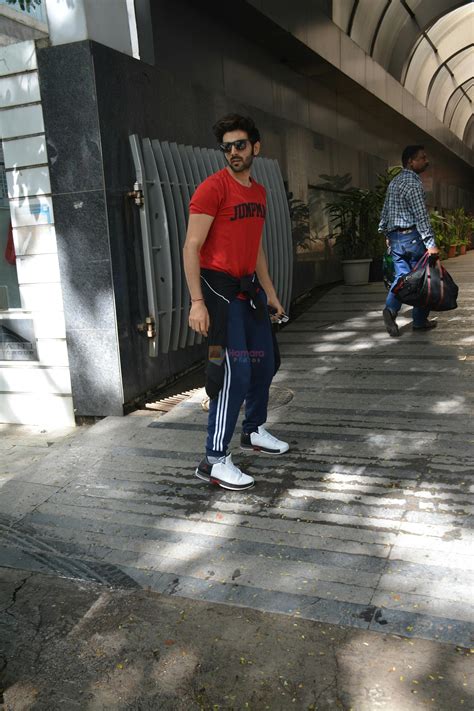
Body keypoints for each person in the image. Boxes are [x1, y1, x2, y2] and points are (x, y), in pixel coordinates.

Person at [183, 114, 289, 491]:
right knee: (235, 371)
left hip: (248, 288)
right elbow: (192, 246)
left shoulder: (258, 193)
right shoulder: (213, 189)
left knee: (266, 362)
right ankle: (213, 459)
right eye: (226, 147)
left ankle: (254, 429)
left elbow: (254, 246)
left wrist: (271, 292)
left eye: (239, 145)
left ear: (255, 147)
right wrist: (197, 302)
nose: (233, 153)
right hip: (217, 289)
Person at [379, 145, 439, 337]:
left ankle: (390, 310)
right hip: (412, 239)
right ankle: (419, 321)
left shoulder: (394, 182)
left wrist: (386, 234)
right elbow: (421, 216)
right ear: (410, 162)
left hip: (396, 239)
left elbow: (386, 211)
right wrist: (431, 244)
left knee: (402, 278)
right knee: (422, 279)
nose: (426, 161)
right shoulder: (413, 183)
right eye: (422, 158)